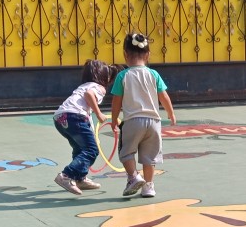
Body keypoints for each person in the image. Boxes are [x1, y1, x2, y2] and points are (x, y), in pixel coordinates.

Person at [110, 32, 176, 198]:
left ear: (125, 54)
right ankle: (149, 186)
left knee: (126, 152)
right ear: (147, 55)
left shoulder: (123, 76)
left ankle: (133, 177)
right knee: (149, 157)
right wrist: (171, 113)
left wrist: (114, 119)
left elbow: (116, 101)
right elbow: (164, 96)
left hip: (132, 121)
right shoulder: (154, 74)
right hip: (154, 122)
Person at [52, 59, 115, 195]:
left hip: (60, 117)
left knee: (80, 148)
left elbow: (86, 113)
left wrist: (92, 134)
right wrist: (99, 113)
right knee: (91, 150)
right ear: (102, 76)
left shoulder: (83, 86)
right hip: (75, 116)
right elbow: (89, 95)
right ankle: (67, 175)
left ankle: (79, 178)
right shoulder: (99, 88)